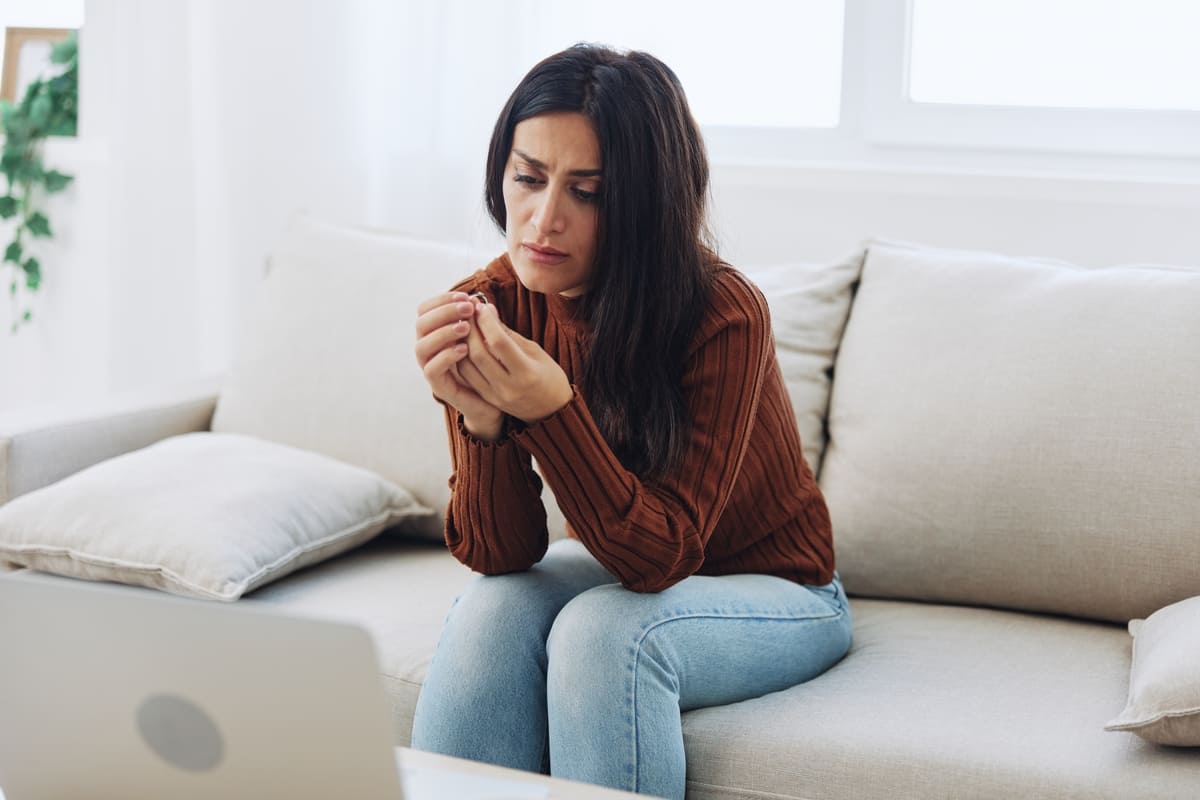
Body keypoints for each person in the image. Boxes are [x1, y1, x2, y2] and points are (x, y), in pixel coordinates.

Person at [410, 43, 850, 800]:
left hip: (780, 589)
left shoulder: (723, 312)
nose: (544, 220)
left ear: (645, 205)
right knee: (493, 608)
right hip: (625, 567)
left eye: (590, 192)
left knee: (605, 633)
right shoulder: (493, 303)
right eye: (528, 177)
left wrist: (552, 410)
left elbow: (661, 557)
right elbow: (503, 554)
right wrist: (481, 422)